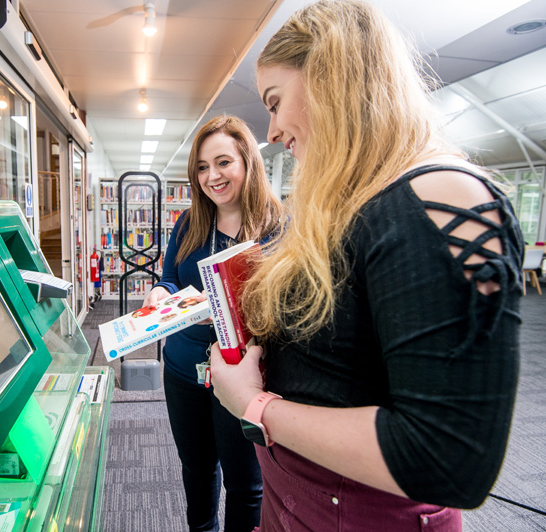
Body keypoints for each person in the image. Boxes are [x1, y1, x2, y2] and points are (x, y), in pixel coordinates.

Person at [209, 1, 524, 531]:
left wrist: (253, 405)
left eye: (276, 100)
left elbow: (449, 460)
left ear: (330, 78)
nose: (274, 127)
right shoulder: (353, 206)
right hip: (295, 506)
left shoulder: (443, 196)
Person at [142, 115, 284, 532]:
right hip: (184, 368)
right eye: (202, 167)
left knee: (245, 484)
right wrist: (161, 293)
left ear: (248, 163)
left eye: (223, 162)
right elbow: (170, 276)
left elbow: (285, 309)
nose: (212, 176)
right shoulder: (189, 222)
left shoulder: (277, 227)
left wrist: (229, 302)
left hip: (243, 374)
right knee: (197, 469)